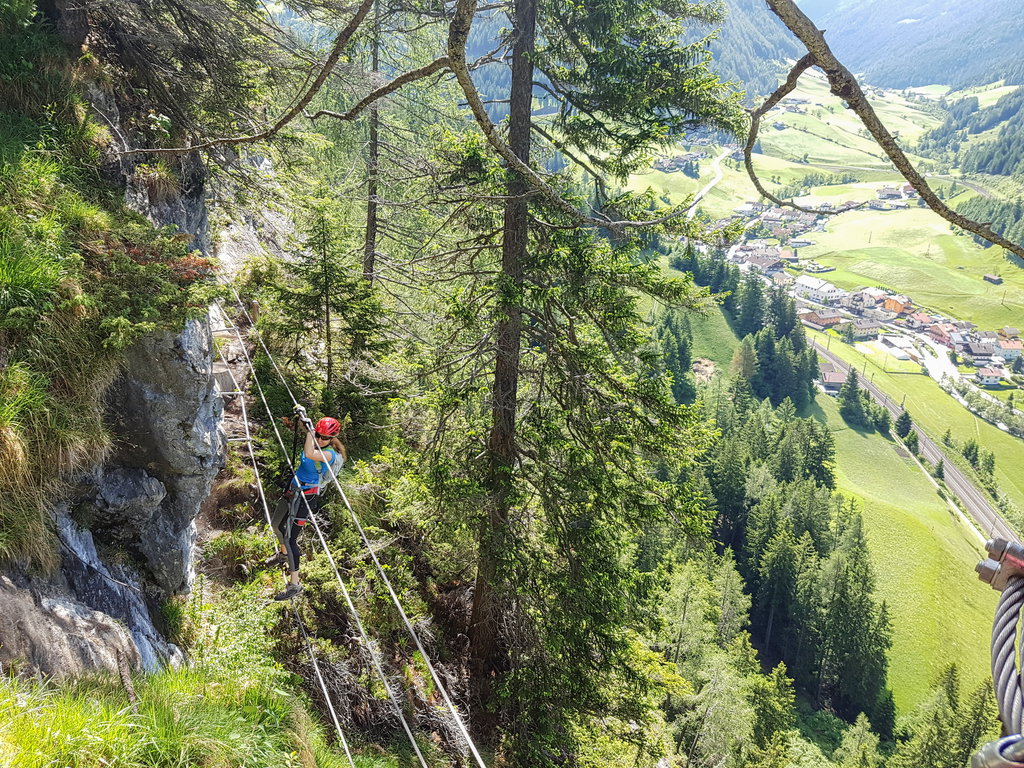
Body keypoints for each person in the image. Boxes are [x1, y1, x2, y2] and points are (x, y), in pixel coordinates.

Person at [265, 406, 346, 600]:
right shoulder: (315, 439)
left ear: (332, 439)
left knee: (291, 538)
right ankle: (283, 555)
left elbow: (309, 453)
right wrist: (304, 418)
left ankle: (295, 584)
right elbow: (308, 436)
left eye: (325, 438)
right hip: (293, 490)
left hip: (306, 497)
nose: (320, 440)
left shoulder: (329, 455)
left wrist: (310, 430)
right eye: (318, 435)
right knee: (277, 524)